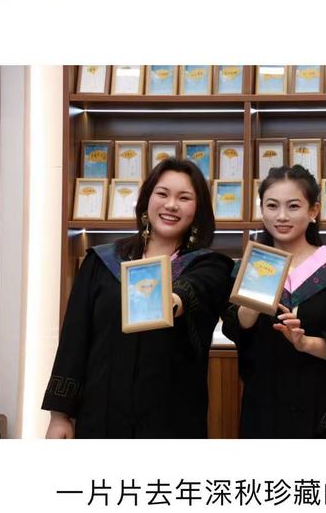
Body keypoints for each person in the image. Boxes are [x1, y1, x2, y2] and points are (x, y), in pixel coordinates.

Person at [43, 158, 233, 438]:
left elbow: (196, 289)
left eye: (184, 198)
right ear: (147, 200)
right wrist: (60, 416)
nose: (171, 205)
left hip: (171, 420)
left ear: (198, 210)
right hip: (100, 414)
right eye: (162, 194)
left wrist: (172, 300)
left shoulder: (209, 265)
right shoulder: (102, 261)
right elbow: (75, 339)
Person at [223, 165, 326, 437]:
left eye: (293, 206)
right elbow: (236, 331)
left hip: (320, 405)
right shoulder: (248, 269)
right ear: (261, 209)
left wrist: (306, 342)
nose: (281, 216)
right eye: (272, 206)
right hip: (263, 405)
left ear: (313, 211)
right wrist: (250, 305)